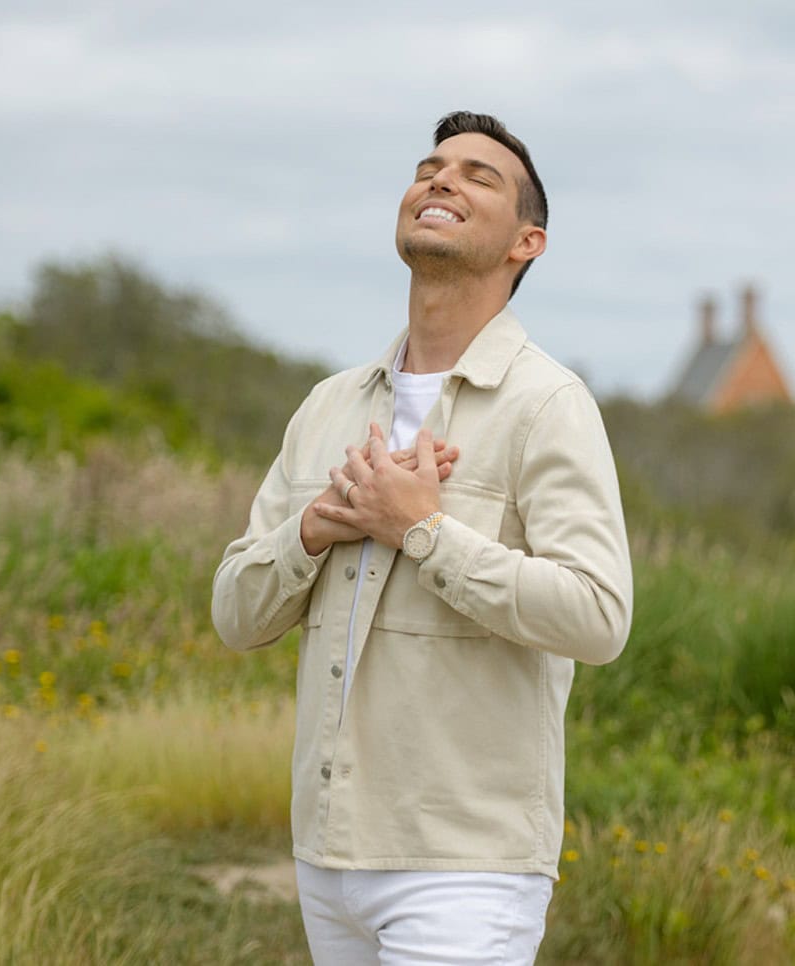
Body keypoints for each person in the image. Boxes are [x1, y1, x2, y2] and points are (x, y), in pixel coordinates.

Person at [211, 110, 633, 965]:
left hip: (465, 869)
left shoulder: (548, 405)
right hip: (326, 857)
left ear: (528, 242)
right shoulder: (328, 407)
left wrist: (423, 532)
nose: (441, 180)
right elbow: (235, 614)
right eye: (430, 167)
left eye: (480, 176)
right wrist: (318, 526)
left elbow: (598, 616)